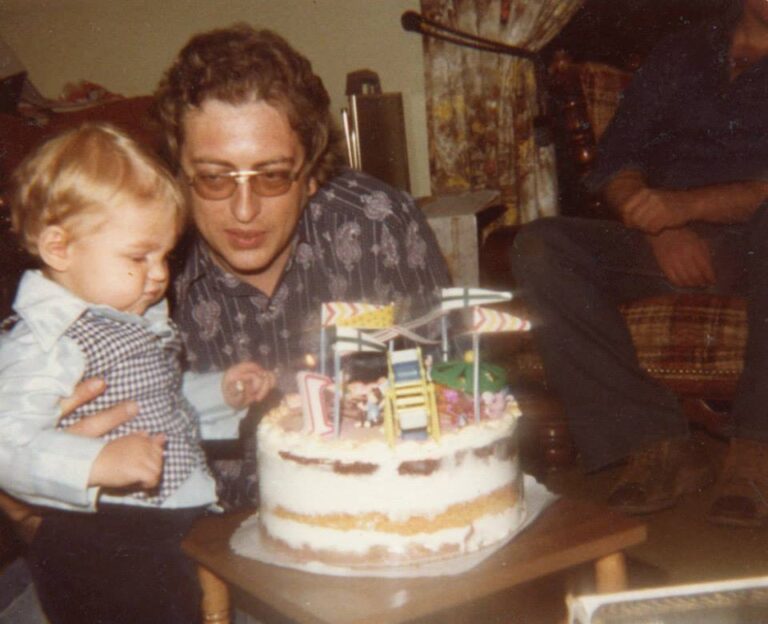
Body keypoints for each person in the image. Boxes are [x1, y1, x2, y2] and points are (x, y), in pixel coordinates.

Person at [153, 24, 451, 509]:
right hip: (205, 542)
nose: (244, 210)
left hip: (382, 510)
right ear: (178, 175)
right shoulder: (137, 265)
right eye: (213, 178)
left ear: (311, 173)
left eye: (272, 176)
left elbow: (448, 381)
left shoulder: (378, 225)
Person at [0, 122, 275, 624]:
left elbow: (163, 404)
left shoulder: (131, 322)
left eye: (164, 256)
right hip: (103, 538)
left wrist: (223, 394)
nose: (159, 274)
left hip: (169, 523)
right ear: (60, 248)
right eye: (138, 256)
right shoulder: (45, 339)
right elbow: (8, 441)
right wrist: (95, 460)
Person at [512, 0, 768, 527]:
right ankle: (655, 442)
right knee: (541, 247)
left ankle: (756, 449)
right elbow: (617, 159)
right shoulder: (684, 49)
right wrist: (658, 224)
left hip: (755, 242)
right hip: (664, 238)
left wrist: (686, 207)